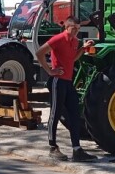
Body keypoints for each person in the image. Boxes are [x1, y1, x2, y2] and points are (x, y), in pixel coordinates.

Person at [35, 16, 98, 163]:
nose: (76, 31)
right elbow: (39, 53)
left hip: (68, 82)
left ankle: (77, 149)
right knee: (55, 113)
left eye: (78, 28)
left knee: (75, 114)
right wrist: (50, 70)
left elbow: (72, 59)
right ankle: (52, 147)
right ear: (66, 27)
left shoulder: (75, 41)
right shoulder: (58, 39)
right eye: (73, 28)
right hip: (57, 81)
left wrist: (83, 48)